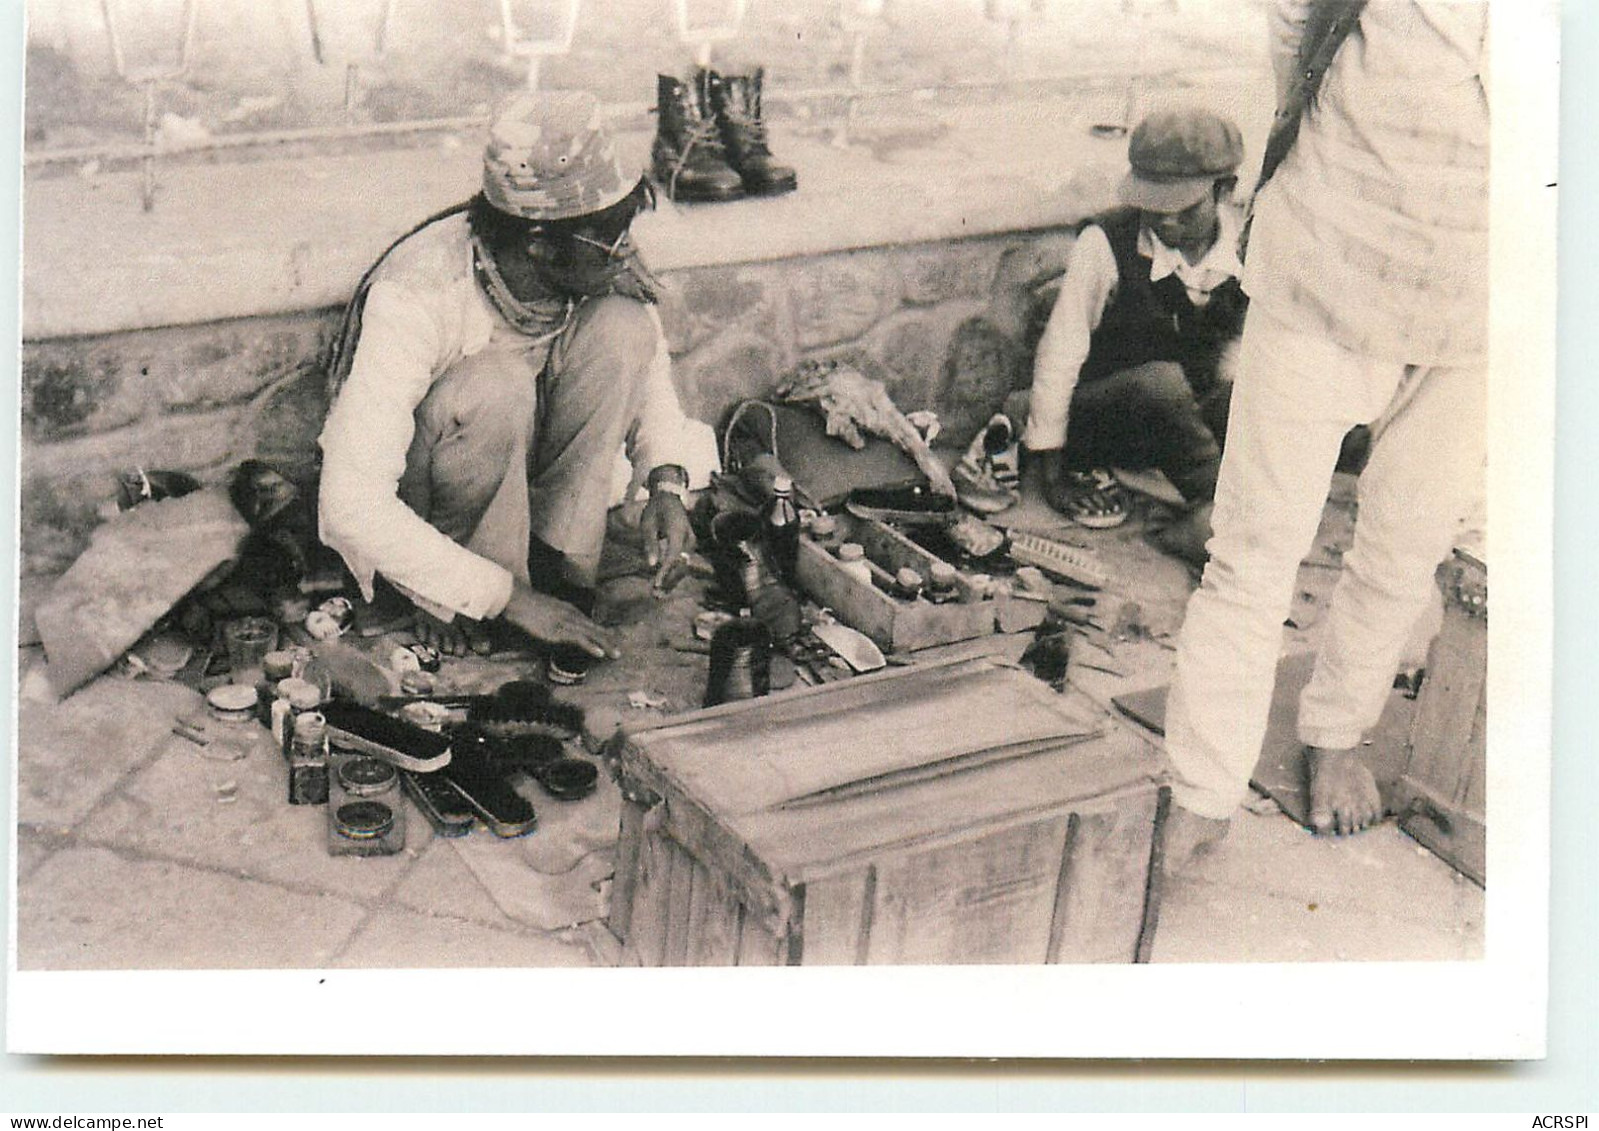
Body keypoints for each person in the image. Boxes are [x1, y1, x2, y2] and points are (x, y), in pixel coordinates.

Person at [1162, 0, 1489, 860]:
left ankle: (1336, 731)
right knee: (1254, 548)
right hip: (1333, 252)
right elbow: (1291, 30)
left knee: (1405, 544)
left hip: (1491, 292)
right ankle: (1200, 789)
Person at [318, 91, 717, 659]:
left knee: (623, 325)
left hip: (520, 474)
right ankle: (464, 594)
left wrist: (667, 482)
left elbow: (648, 375)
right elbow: (350, 503)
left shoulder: (593, 254)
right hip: (437, 485)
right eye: (610, 241)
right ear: (538, 245)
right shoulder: (417, 294)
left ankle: (559, 571)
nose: (625, 254)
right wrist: (506, 597)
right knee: (494, 385)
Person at [1016, 107, 1247, 546]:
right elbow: (1061, 349)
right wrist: (1050, 466)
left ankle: (1225, 518)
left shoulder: (1245, 244)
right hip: (1109, 416)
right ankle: (1224, 516)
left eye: (1181, 208)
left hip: (1176, 427)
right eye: (1151, 205)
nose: (1164, 220)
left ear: (1225, 190)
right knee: (1160, 384)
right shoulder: (1106, 242)